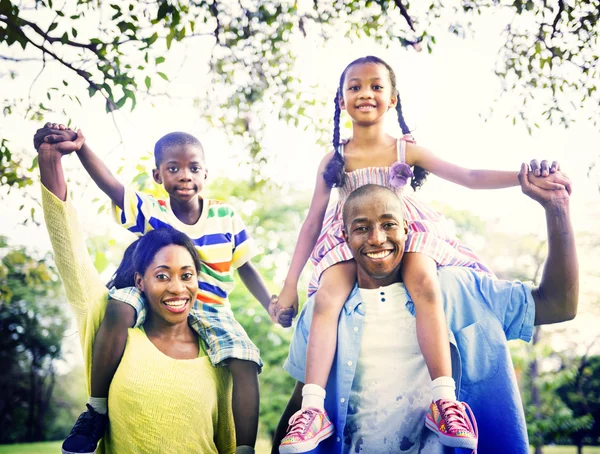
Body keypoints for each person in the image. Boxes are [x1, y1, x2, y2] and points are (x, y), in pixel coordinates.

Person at [274, 55, 566, 452]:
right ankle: (312, 410)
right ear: (341, 100)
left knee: (426, 282)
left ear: (393, 98)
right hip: (351, 237)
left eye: (376, 86)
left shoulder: (404, 150)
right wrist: (290, 286)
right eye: (355, 87)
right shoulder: (335, 158)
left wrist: (521, 178)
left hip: (407, 232)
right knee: (327, 297)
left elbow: (468, 177)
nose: (366, 93)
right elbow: (312, 222)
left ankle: (444, 399)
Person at [273, 178, 578, 454]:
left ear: (407, 227)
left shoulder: (462, 291)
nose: (377, 239)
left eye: (389, 225)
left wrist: (557, 209)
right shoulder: (322, 309)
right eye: (362, 228)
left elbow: (559, 304)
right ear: (345, 235)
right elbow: (301, 401)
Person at [34, 124, 281, 454]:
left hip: (211, 306)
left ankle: (246, 448)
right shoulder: (155, 212)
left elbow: (245, 265)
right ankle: (96, 409)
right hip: (150, 297)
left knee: (246, 359)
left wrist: (271, 305)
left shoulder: (226, 215)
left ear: (205, 173)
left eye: (193, 168)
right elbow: (114, 189)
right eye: (173, 168)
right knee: (119, 306)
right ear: (157, 174)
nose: (184, 176)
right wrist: (81, 149)